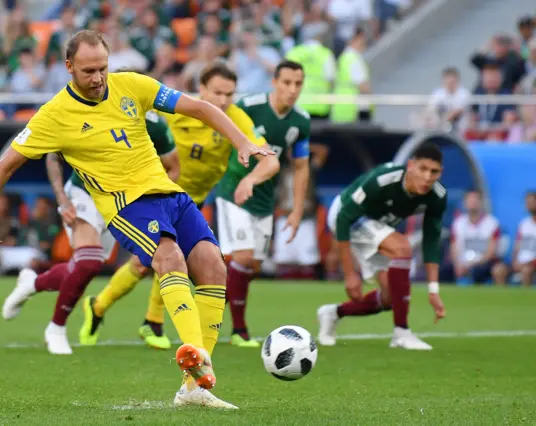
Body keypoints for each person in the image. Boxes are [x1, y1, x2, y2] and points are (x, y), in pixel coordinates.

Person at [0, 30, 273, 409]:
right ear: (68, 68)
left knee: (214, 265)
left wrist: (242, 142)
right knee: (168, 258)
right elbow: (1, 170)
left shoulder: (131, 85)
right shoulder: (53, 115)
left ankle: (194, 388)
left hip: (169, 194)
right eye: (88, 71)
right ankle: (197, 359)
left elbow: (201, 108)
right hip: (126, 204)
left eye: (103, 68)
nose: (98, 78)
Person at [81, 61, 273, 350]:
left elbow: (269, 157)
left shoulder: (234, 117)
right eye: (218, 93)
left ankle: (101, 306)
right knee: (166, 260)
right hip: (156, 193)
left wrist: (252, 179)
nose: (223, 100)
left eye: (229, 94)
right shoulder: (176, 110)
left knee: (152, 263)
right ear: (202, 89)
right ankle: (151, 321)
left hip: (192, 199)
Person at [0, 108, 180, 348]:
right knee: (88, 261)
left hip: (122, 201)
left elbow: (173, 166)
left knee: (85, 267)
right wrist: (62, 199)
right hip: (83, 194)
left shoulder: (154, 124)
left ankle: (32, 284)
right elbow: (53, 156)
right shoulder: (87, 112)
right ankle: (56, 329)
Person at [215, 60, 310, 347]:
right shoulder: (249, 106)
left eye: (298, 84)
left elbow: (301, 166)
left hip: (265, 199)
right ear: (275, 82)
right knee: (243, 258)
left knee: (252, 266)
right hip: (235, 191)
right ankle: (239, 330)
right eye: (287, 83)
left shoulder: (300, 122)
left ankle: (208, 292)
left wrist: (295, 210)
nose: (292, 90)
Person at [317, 143, 447, 350]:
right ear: (410, 165)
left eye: (434, 172)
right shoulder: (383, 179)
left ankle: (333, 313)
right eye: (423, 169)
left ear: (441, 173)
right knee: (403, 248)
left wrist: (433, 290)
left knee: (390, 298)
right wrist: (350, 274)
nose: (427, 177)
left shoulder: (437, 196)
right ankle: (401, 333)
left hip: (378, 229)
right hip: (347, 218)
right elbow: (344, 218)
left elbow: (431, 240)